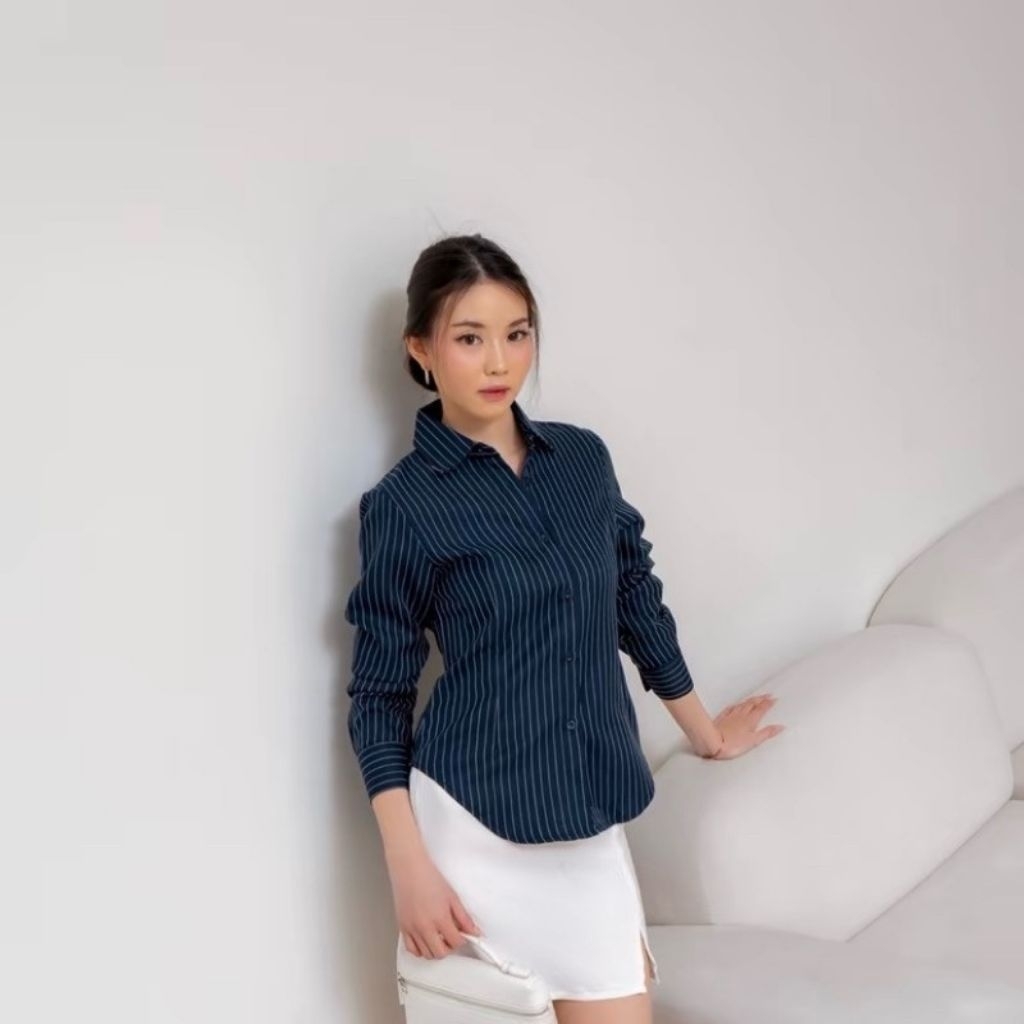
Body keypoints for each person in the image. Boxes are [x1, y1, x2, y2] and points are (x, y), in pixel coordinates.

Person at [343, 233, 785, 1023]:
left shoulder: (582, 461)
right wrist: (407, 869)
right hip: (469, 829)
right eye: (469, 338)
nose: (498, 361)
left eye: (516, 334)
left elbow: (634, 601)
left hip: (584, 823)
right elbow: (380, 694)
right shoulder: (405, 506)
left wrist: (706, 732)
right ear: (421, 350)